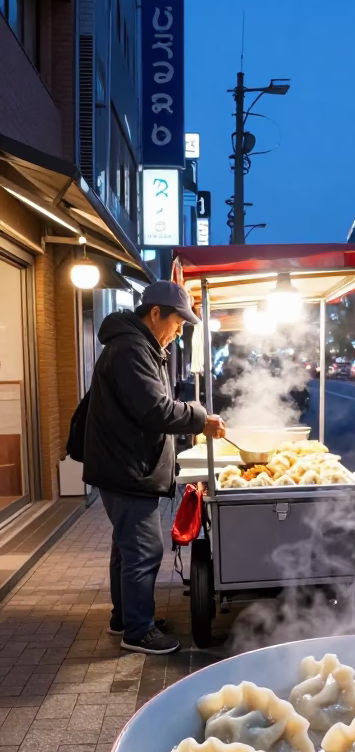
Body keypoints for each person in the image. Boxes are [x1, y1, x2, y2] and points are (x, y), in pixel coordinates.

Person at [83, 281, 225, 655]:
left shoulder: (142, 346)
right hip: (127, 467)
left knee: (126, 549)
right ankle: (138, 631)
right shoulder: (132, 349)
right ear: (156, 313)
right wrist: (199, 419)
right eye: (178, 322)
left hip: (124, 464)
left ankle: (126, 618)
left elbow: (152, 403)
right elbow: (153, 409)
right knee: (144, 550)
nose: (180, 330)